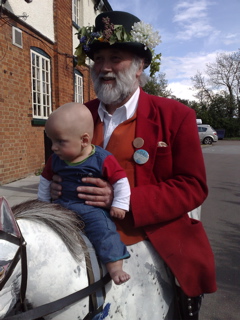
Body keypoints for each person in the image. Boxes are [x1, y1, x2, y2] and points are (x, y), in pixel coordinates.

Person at [51, 11, 217, 319]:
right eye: (98, 58)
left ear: (140, 66)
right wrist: (57, 185)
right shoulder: (77, 114)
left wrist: (122, 200)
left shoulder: (175, 115)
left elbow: (193, 186)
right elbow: (56, 162)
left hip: (153, 236)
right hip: (76, 234)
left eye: (116, 57)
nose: (104, 68)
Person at [38, 102, 131, 285]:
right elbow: (45, 180)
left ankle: (115, 266)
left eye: (60, 141)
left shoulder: (101, 159)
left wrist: (120, 203)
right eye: (51, 141)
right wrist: (42, 202)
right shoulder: (56, 160)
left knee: (104, 231)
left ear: (84, 141)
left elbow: (121, 181)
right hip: (61, 206)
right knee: (46, 231)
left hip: (91, 209)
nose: (54, 148)